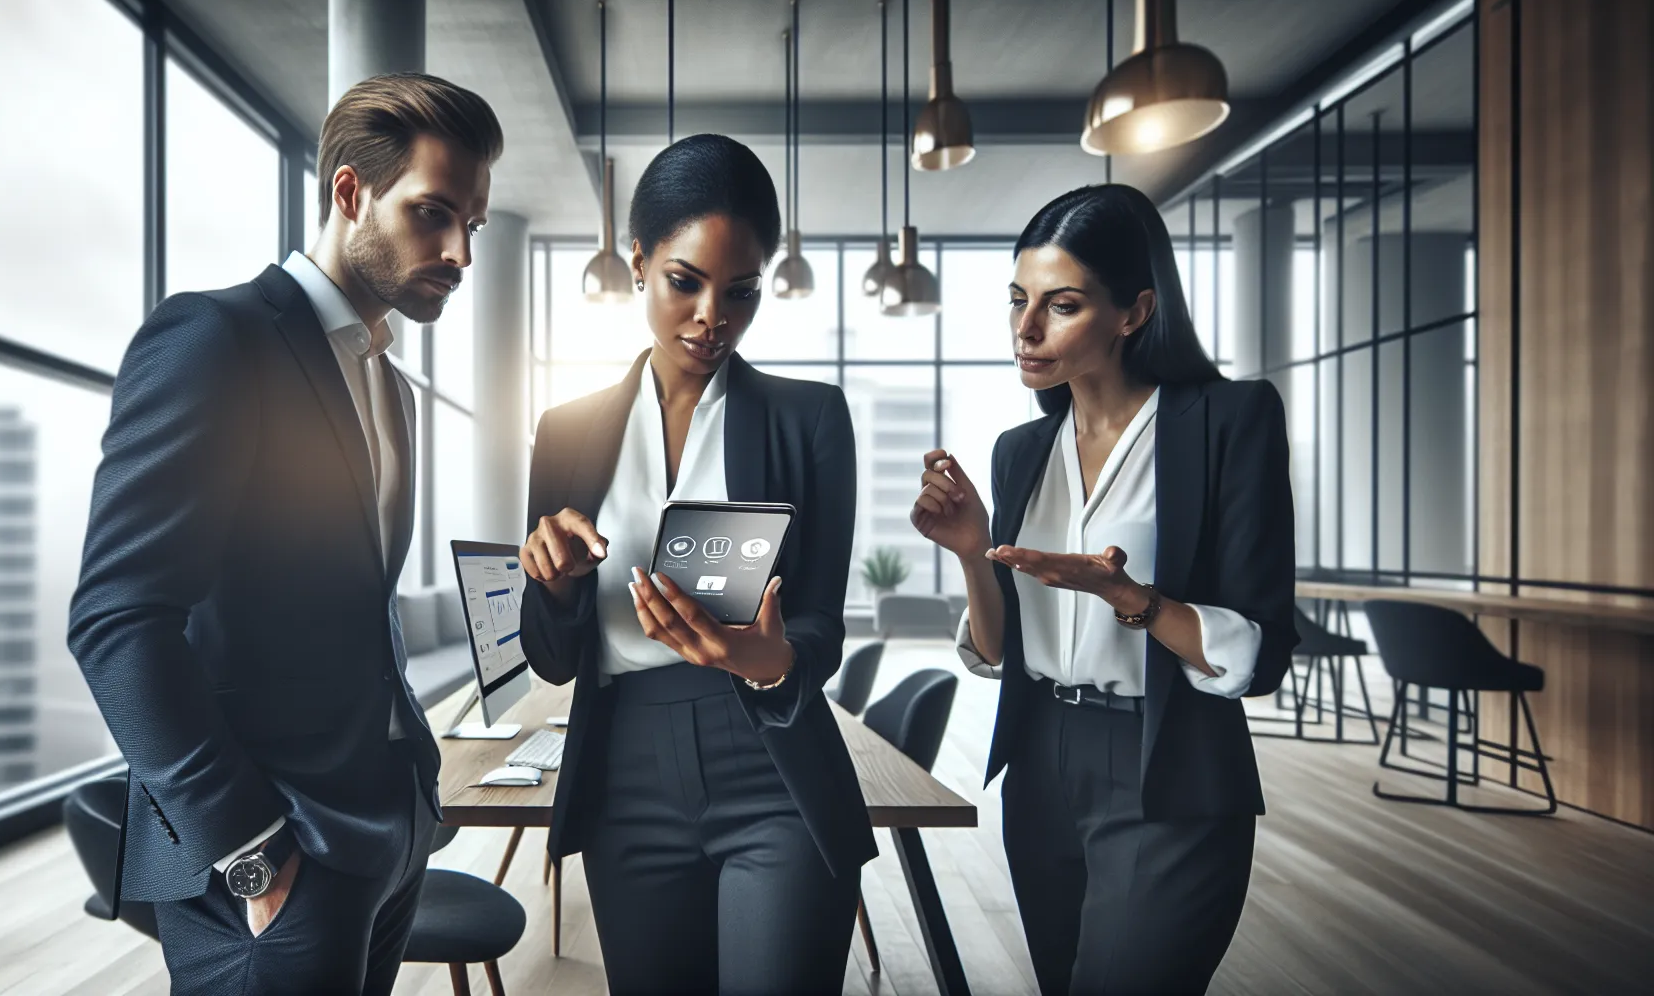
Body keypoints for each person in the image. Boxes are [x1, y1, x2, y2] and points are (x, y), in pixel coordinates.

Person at [67, 72, 501, 995]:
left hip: (381, 830)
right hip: (269, 857)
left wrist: (407, 808)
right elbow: (116, 621)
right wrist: (253, 854)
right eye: (434, 213)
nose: (462, 250)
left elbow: (350, 601)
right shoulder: (213, 339)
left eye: (476, 225)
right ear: (350, 193)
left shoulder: (391, 384)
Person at [911, 183, 1298, 995]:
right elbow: (995, 653)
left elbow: (1260, 656)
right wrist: (974, 555)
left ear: (1134, 311)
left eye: (1061, 305)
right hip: (1041, 765)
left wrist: (1135, 600)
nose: (1025, 328)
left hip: (1169, 759)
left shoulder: (1228, 421)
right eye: (1019, 300)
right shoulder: (1021, 451)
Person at [517, 133, 876, 995]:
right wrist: (556, 586)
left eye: (742, 292)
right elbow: (553, 656)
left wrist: (772, 660)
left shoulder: (810, 420)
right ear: (639, 262)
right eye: (686, 281)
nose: (714, 315)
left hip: (771, 760)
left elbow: (822, 618)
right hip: (624, 769)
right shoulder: (566, 433)